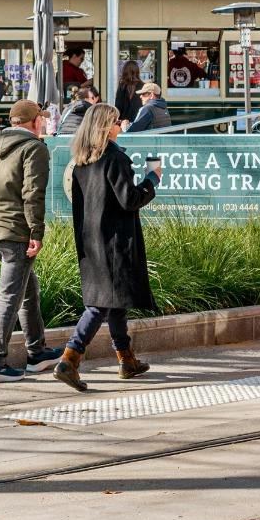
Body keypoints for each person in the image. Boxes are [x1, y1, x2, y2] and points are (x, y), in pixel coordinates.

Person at [55, 103, 160, 392]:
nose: (120, 125)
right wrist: (152, 179)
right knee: (101, 303)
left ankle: (127, 359)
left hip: (91, 239)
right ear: (106, 126)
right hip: (114, 241)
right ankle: (69, 358)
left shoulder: (82, 161)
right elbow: (130, 200)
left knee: (114, 299)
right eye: (116, 122)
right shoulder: (115, 158)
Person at [0, 99, 61, 384]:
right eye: (42, 119)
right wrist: (36, 232)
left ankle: (37, 352)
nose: (44, 124)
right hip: (16, 229)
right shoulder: (34, 148)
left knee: (27, 289)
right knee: (10, 295)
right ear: (34, 122)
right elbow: (33, 193)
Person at [113, 60, 144, 125]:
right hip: (139, 122)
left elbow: (118, 106)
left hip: (123, 123)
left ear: (125, 71)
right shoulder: (143, 86)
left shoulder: (122, 86)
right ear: (137, 71)